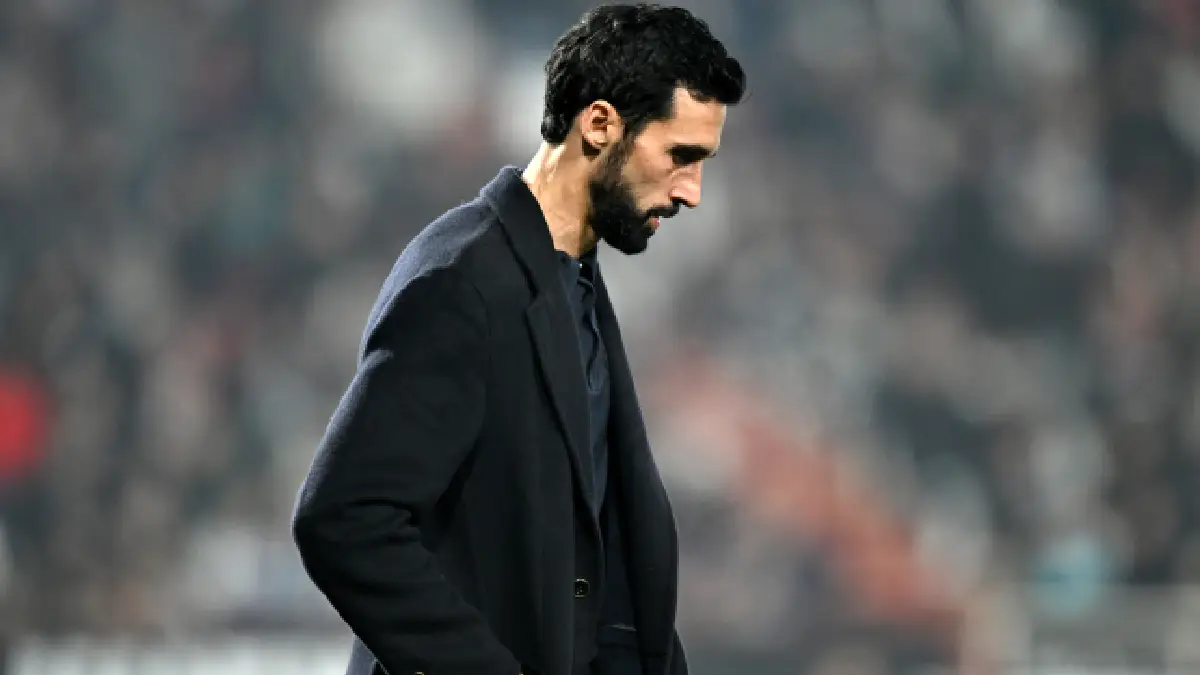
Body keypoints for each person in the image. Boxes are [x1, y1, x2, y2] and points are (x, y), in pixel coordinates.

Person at [291, 5, 745, 675]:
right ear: (599, 124)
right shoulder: (462, 281)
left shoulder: (573, 281)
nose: (692, 192)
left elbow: (589, 553)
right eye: (680, 156)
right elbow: (344, 516)